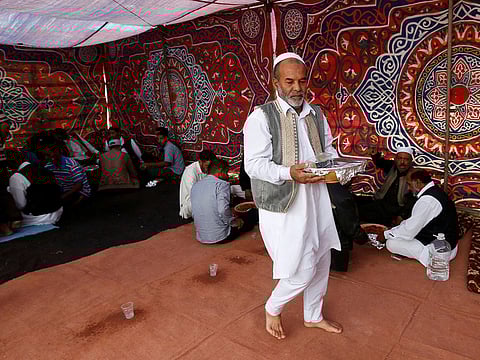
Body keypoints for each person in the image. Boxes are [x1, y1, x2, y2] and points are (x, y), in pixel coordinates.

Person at [243, 52, 343, 340]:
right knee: (300, 269)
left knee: (322, 258)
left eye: (301, 80)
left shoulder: (316, 114)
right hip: (284, 205)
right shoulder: (261, 117)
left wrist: (339, 167)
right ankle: (273, 307)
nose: (297, 88)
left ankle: (313, 316)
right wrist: (290, 173)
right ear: (275, 82)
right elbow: (254, 165)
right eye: (289, 81)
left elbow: (327, 151)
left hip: (316, 197)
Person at [377, 169, 459, 266]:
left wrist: (386, 234)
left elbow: (409, 231)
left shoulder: (427, 201)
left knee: (391, 243)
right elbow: (413, 223)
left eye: (409, 184)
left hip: (441, 251)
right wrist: (394, 230)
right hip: (447, 241)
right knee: (399, 234)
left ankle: (429, 258)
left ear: (418, 183)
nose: (408, 188)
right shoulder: (434, 190)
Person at [191, 158, 250, 244]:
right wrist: (234, 222)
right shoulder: (222, 184)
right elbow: (222, 210)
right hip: (221, 237)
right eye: (226, 172)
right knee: (249, 216)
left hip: (201, 236)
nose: (227, 176)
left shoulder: (196, 185)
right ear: (220, 171)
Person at [356, 147, 416, 226]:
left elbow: (412, 200)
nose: (402, 162)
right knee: (357, 205)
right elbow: (380, 162)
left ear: (410, 161)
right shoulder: (392, 166)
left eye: (406, 159)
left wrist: (402, 215)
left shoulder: (414, 176)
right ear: (395, 159)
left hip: (397, 209)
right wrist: (375, 154)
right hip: (382, 203)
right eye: (400, 158)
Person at [8, 158, 63, 226]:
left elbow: (21, 205)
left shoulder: (16, 177)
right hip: (57, 211)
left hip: (37, 218)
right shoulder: (45, 169)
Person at [41, 142, 91, 206]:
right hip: (65, 190)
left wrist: (62, 196)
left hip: (80, 192)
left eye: (48, 155)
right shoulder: (49, 166)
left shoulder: (71, 164)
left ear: (56, 151)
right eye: (44, 155)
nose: (46, 158)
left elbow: (79, 186)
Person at [179, 149, 217, 219]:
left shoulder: (209, 169)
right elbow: (195, 195)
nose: (209, 169)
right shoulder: (190, 172)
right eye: (207, 166)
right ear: (200, 161)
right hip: (190, 205)